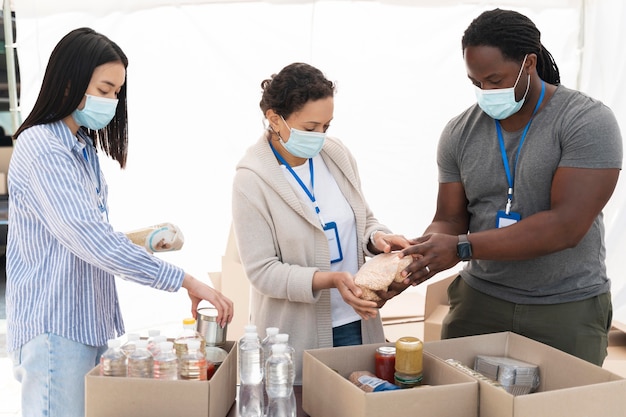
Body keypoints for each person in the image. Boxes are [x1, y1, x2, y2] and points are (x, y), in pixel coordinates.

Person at [6, 27, 234, 417]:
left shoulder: (80, 148)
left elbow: (79, 236)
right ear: (68, 83)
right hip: (56, 329)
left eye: (116, 93)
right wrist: (184, 279)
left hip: (83, 324)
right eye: (104, 89)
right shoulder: (43, 147)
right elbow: (91, 241)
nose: (111, 101)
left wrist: (142, 240)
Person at [392, 9, 622, 366]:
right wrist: (423, 254)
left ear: (529, 63)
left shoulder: (586, 121)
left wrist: (462, 247)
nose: (486, 91)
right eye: (475, 82)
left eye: (495, 80)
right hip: (480, 302)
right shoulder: (459, 132)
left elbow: (566, 227)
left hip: (565, 308)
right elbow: (450, 219)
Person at [231, 62, 410, 384]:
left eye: (327, 126)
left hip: (357, 320)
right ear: (275, 119)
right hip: (295, 335)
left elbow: (363, 219)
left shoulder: (336, 154)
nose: (320, 137)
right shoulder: (251, 180)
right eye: (311, 127)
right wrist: (329, 280)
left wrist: (378, 238)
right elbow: (262, 272)